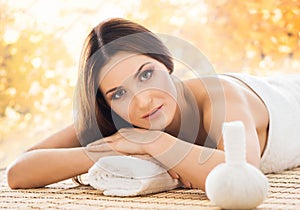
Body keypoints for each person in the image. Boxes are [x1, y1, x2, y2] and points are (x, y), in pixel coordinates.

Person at [6, 18, 300, 191]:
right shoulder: (121, 122)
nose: (143, 99)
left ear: (165, 62)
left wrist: (154, 141)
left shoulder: (220, 97)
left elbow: (241, 177)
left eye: (146, 75)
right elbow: (19, 172)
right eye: (119, 94)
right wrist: (112, 148)